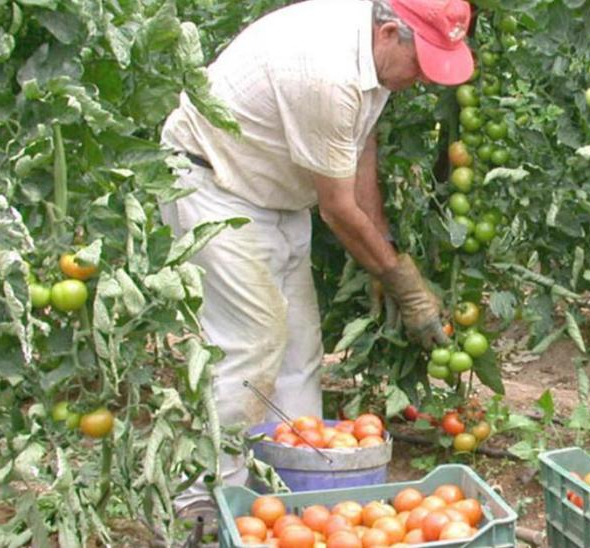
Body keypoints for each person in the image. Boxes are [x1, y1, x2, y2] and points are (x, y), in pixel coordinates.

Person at [158, 0, 471, 528]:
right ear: (392, 32)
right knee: (249, 345)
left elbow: (360, 146)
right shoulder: (327, 70)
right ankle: (204, 494)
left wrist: (380, 251)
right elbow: (338, 208)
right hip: (215, 184)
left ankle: (291, 493)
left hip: (273, 186)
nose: (423, 80)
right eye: (422, 64)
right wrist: (401, 281)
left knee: (301, 348)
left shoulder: (373, 56)